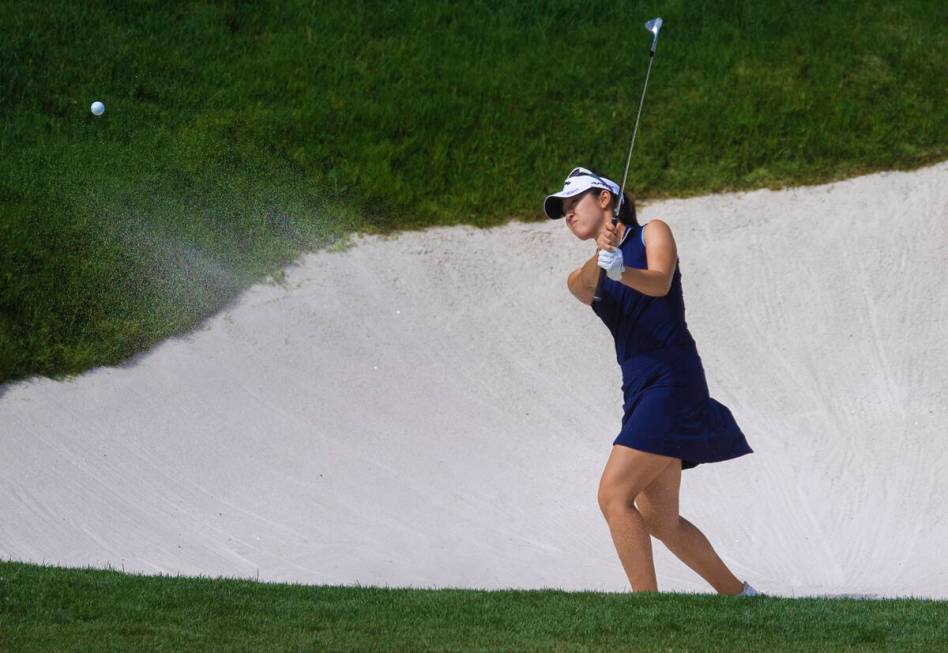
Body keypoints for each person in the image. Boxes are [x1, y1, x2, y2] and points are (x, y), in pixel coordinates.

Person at [544, 166, 761, 597]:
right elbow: (584, 288)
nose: (568, 214)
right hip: (640, 392)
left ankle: (647, 609)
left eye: (575, 202)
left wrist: (623, 267)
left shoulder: (653, 233)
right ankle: (741, 598)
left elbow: (660, 282)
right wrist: (604, 255)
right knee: (661, 520)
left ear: (605, 199)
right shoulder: (584, 273)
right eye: (563, 208)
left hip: (672, 380)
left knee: (613, 494)